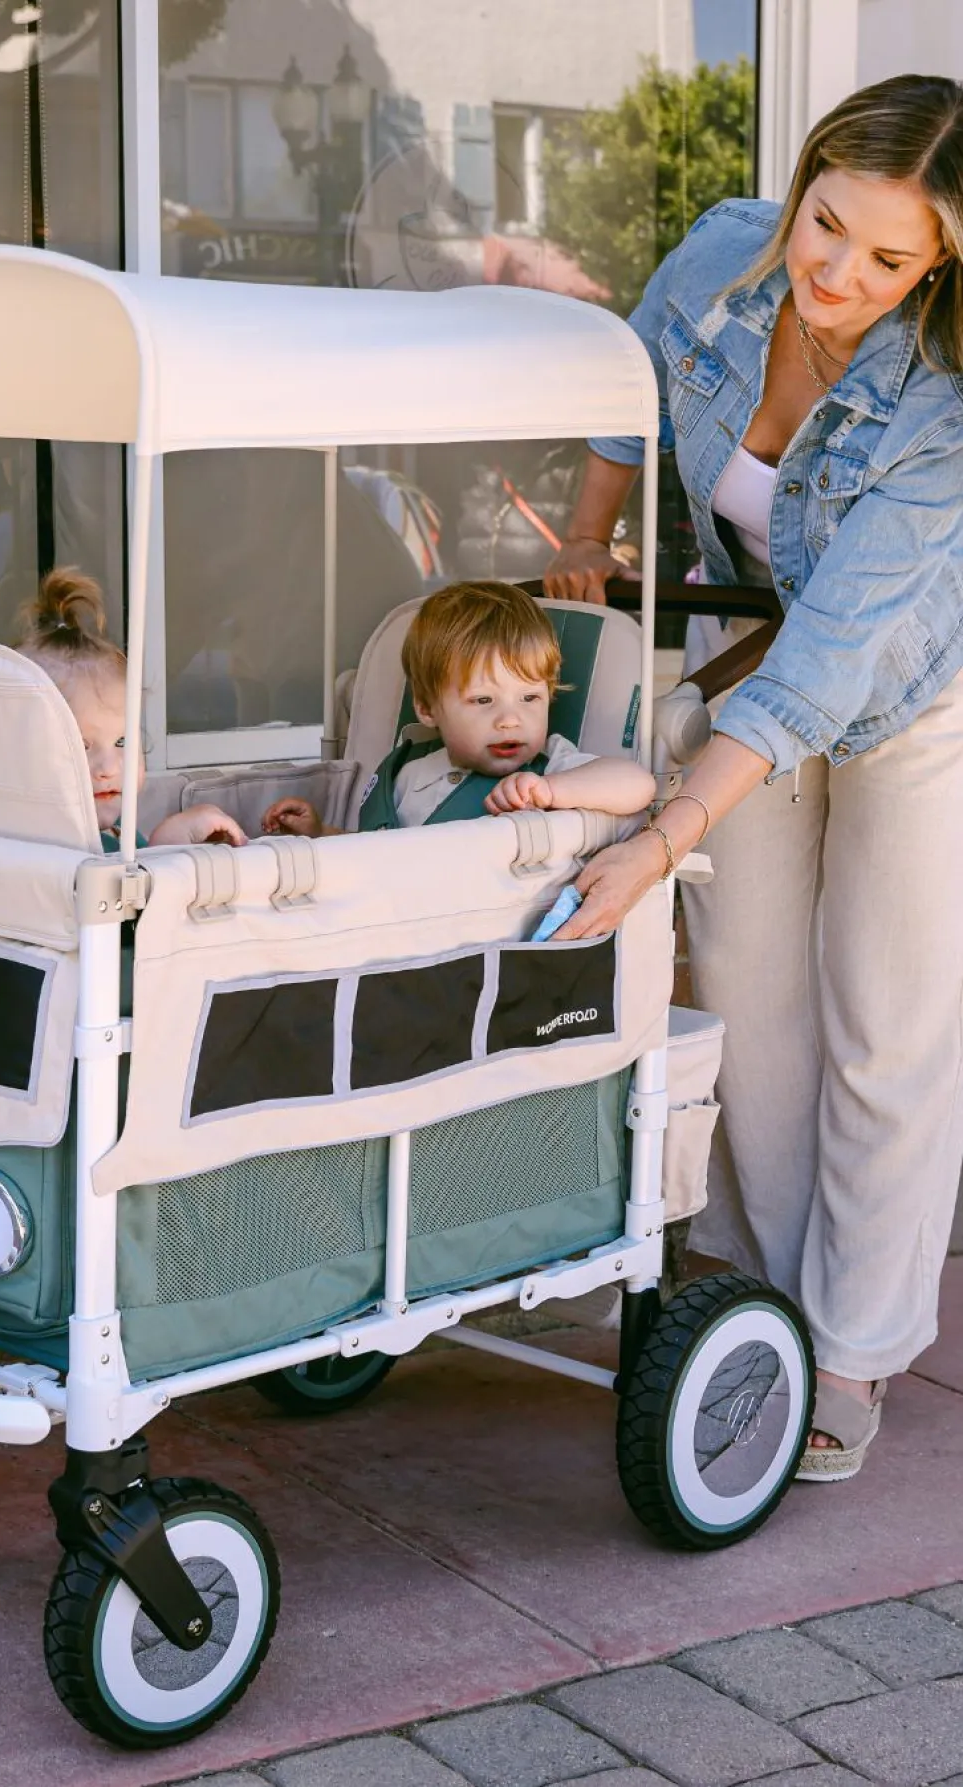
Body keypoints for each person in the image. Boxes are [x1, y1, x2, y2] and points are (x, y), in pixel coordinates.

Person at [541, 74, 963, 1481]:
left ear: (939, 266)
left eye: (888, 258)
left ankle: (855, 1343)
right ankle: (770, 1304)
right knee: (748, 988)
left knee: (885, 1015)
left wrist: (663, 830)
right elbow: (629, 395)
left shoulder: (944, 397)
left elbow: (837, 654)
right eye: (827, 223)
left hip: (920, 683)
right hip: (762, 650)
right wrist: (589, 537)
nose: (837, 274)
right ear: (804, 180)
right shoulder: (725, 254)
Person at [263, 581, 653, 836]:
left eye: (530, 698)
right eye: (483, 700)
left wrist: (552, 791)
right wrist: (321, 834)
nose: (510, 720)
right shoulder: (408, 774)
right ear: (428, 709)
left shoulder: (550, 767)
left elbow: (638, 785)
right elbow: (376, 857)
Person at [15, 568, 246, 851]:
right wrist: (169, 839)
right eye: (81, 746)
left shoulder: (117, 831)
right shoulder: (55, 846)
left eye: (122, 741)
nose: (109, 768)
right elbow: (128, 876)